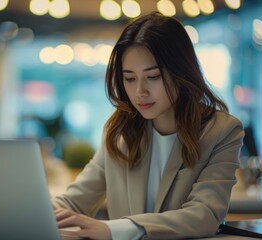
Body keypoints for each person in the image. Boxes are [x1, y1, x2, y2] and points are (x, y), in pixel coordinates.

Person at [53, 12, 244, 240]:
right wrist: (29, 216)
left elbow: (204, 215)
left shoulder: (221, 131)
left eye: (152, 77)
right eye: (130, 78)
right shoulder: (119, 133)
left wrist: (112, 230)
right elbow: (74, 202)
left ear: (180, 72)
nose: (139, 92)